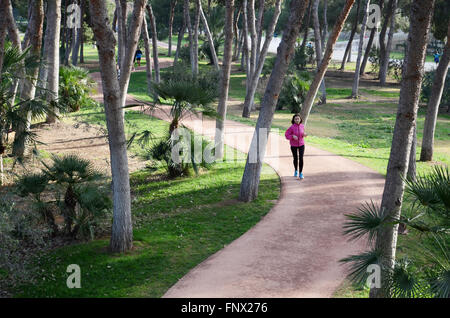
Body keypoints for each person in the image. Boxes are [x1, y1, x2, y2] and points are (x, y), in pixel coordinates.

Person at [285, 114, 308, 180]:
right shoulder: (291, 127)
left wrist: (304, 134)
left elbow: (303, 133)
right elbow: (286, 135)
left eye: (298, 119)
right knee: (295, 158)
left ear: (300, 119)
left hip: (301, 144)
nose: (297, 120)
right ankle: (296, 170)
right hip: (293, 145)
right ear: (293, 120)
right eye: (296, 119)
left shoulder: (302, 126)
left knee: (301, 158)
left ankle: (300, 173)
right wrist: (292, 136)